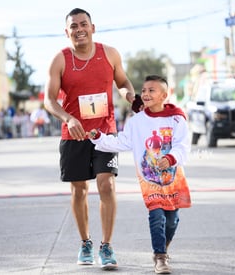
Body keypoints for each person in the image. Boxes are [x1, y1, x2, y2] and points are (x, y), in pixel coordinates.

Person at [44, 8, 140, 270]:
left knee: (106, 185)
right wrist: (68, 118)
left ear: (93, 27)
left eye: (83, 24)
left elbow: (123, 82)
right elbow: (49, 100)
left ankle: (106, 246)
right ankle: (85, 242)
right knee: (79, 189)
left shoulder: (109, 54)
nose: (79, 29)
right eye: (73, 26)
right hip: (74, 134)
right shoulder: (60, 60)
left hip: (105, 133)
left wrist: (130, 96)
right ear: (67, 32)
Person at [87, 75, 192, 274]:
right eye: (143, 90)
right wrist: (99, 137)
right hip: (149, 180)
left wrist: (170, 158)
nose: (145, 94)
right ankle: (159, 257)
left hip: (172, 178)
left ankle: (164, 248)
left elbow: (183, 145)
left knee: (172, 220)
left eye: (152, 90)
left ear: (164, 95)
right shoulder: (136, 122)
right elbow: (122, 142)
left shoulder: (177, 118)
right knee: (157, 215)